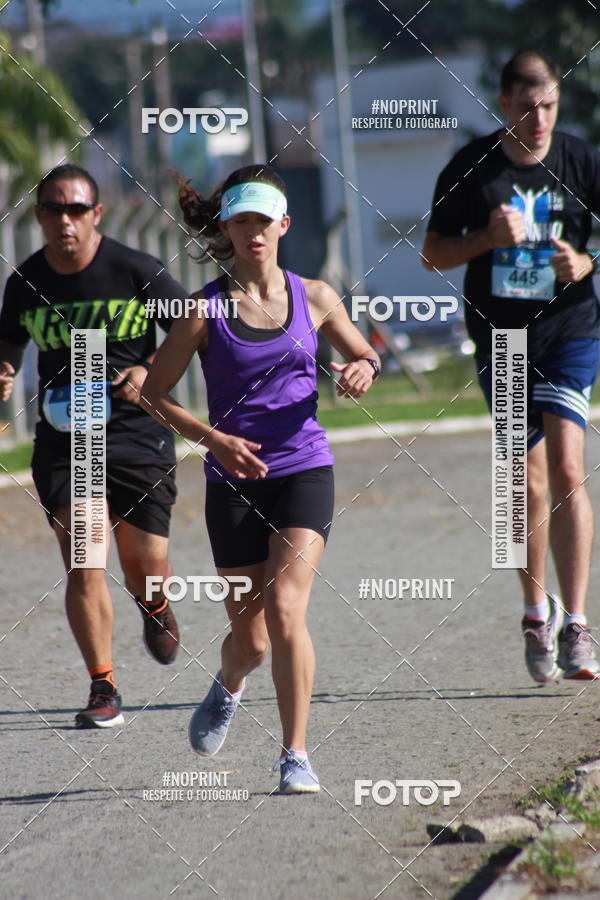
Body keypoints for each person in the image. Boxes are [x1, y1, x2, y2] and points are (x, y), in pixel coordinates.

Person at [142, 164, 381, 793]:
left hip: (304, 468)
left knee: (285, 606)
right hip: (231, 482)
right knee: (248, 637)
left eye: (263, 220)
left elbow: (364, 353)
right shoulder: (204, 311)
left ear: (284, 223)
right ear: (227, 225)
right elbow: (155, 394)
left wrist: (363, 367)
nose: (253, 233)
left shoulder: (317, 296)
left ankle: (295, 754)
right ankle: (229, 683)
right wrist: (213, 438)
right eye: (241, 220)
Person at [423, 51, 600, 682]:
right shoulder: (471, 168)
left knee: (569, 466)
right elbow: (431, 254)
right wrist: (485, 241)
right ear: (504, 106)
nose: (540, 119)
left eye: (549, 105)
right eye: (527, 108)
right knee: (524, 484)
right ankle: (534, 613)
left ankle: (577, 622)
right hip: (503, 341)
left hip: (570, 330)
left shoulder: (581, 160)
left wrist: (586, 262)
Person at [0, 164, 184, 728]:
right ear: (39, 217)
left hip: (135, 430)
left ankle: (153, 604)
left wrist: (149, 366)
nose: (65, 221)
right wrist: (4, 370)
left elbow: (192, 327)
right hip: (67, 435)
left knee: (144, 562)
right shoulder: (25, 282)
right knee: (85, 560)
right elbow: (6, 345)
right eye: (53, 209)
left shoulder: (135, 270)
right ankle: (103, 685)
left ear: (96, 214)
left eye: (76, 209)